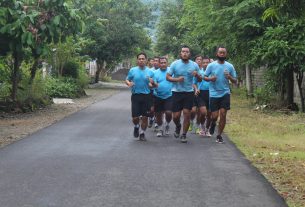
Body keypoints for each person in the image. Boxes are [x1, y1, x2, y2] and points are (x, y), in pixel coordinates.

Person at [166, 45, 201, 143]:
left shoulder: (194, 65)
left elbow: (200, 79)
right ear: (180, 53)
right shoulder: (175, 64)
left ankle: (184, 134)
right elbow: (167, 77)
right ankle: (178, 126)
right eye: (183, 51)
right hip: (176, 92)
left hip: (188, 93)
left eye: (187, 52)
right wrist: (177, 79)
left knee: (187, 114)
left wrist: (197, 75)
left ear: (189, 54)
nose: (185, 53)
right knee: (176, 116)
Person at [204, 46, 237, 143]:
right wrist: (211, 79)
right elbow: (204, 77)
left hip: (225, 93)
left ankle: (219, 135)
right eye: (220, 52)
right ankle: (213, 123)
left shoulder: (230, 66)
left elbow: (235, 81)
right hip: (214, 93)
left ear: (226, 54)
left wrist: (229, 76)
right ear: (217, 54)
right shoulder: (211, 65)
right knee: (214, 116)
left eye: (224, 52)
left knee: (223, 114)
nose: (222, 54)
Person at [126, 52, 156, 141]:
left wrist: (152, 83)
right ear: (137, 60)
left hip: (146, 96)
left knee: (145, 117)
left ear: (146, 60)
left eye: (143, 59)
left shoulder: (150, 72)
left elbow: (154, 85)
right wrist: (129, 83)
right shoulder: (132, 70)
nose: (141, 60)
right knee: (135, 118)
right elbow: (127, 79)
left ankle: (142, 133)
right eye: (140, 59)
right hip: (136, 96)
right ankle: (136, 126)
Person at [153, 57, 173, 137]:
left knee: (168, 112)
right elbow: (153, 85)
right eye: (161, 63)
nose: (163, 64)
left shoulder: (171, 71)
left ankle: (167, 124)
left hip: (170, 96)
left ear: (167, 63)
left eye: (165, 62)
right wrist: (154, 92)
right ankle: (160, 129)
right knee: (158, 114)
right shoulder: (155, 73)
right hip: (158, 96)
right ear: (159, 64)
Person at [193, 56, 212, 137]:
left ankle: (207, 129)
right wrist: (196, 89)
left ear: (209, 63)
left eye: (207, 63)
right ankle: (202, 126)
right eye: (203, 62)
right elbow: (194, 83)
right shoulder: (199, 72)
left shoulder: (213, 72)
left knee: (210, 114)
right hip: (201, 94)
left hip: (211, 93)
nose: (205, 64)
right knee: (203, 112)